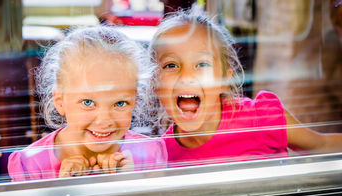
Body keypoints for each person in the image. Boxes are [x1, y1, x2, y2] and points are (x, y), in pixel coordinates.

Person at [147, 8, 342, 167]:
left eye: (202, 64)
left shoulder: (261, 117)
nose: (187, 77)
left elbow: (321, 144)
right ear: (155, 84)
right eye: (171, 65)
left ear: (224, 80)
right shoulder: (161, 154)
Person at [8, 26, 167, 181]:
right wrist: (62, 189)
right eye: (88, 102)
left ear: (134, 101)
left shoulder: (150, 155)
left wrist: (132, 182)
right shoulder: (31, 165)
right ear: (60, 101)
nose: (104, 121)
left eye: (120, 103)